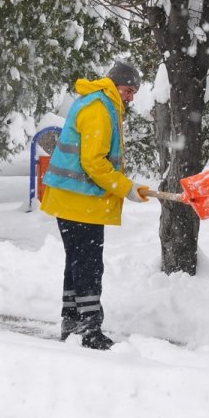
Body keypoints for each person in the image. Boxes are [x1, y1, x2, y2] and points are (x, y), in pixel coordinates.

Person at [40, 60, 149, 350]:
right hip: (81, 201)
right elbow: (93, 162)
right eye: (128, 89)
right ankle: (89, 329)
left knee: (77, 261)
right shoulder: (100, 109)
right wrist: (126, 188)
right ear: (115, 84)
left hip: (72, 199)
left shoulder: (97, 102)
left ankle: (72, 320)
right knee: (88, 264)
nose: (131, 96)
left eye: (134, 92)